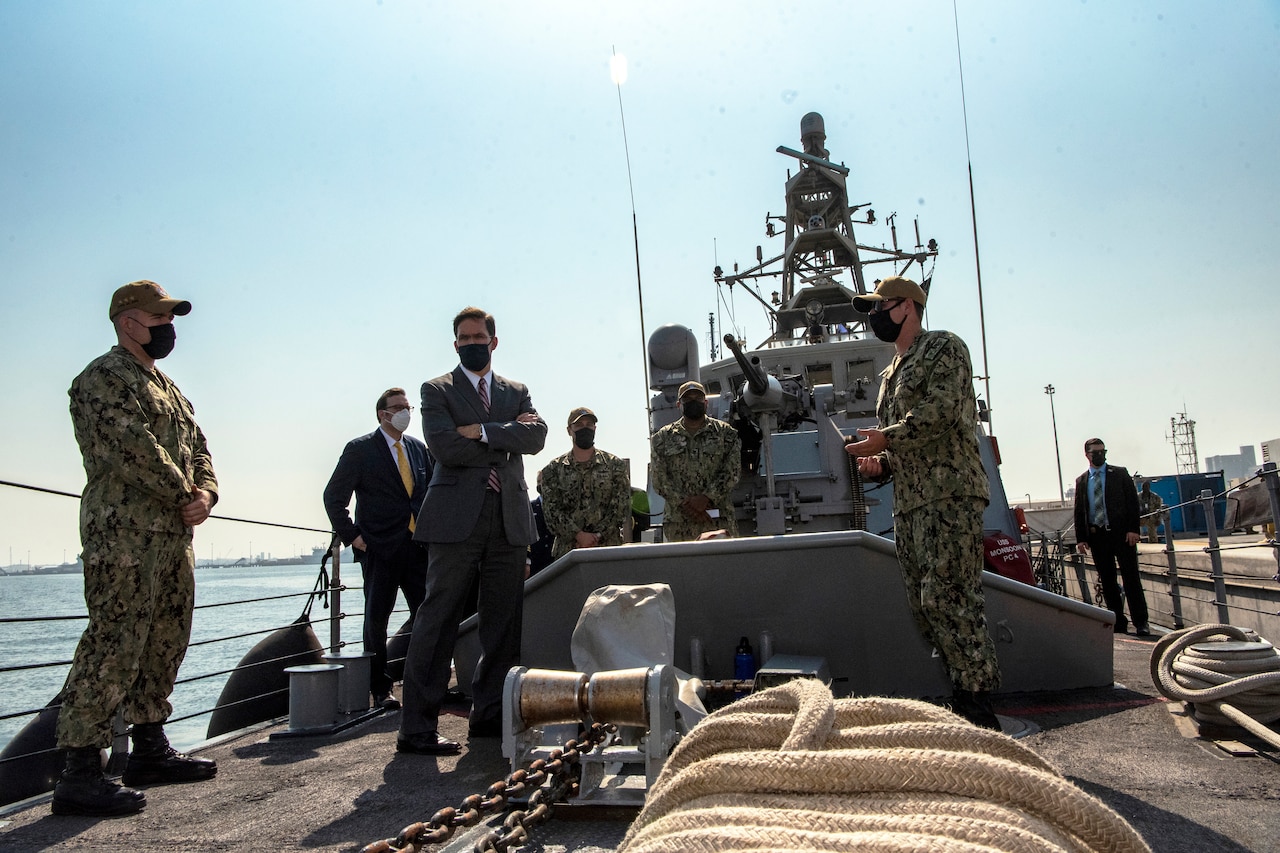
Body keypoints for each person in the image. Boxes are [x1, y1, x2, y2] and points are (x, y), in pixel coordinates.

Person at [55, 280, 219, 817]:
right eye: (159, 318)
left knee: (165, 638)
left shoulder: (168, 387)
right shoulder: (102, 379)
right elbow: (135, 450)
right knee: (113, 642)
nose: (168, 328)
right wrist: (185, 496)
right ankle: (80, 769)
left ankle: (150, 747)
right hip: (124, 536)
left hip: (173, 535)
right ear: (129, 322)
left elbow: (198, 447)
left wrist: (206, 494)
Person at [843, 275, 1002, 730]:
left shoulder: (944, 349)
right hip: (911, 503)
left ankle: (979, 709)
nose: (874, 316)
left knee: (950, 597)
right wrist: (882, 462)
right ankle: (962, 692)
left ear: (907, 307)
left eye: (880, 307)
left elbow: (941, 412)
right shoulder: (889, 375)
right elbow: (903, 445)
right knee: (923, 605)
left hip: (950, 495)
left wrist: (885, 439)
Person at [397, 307, 547, 755]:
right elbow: (443, 445)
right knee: (437, 618)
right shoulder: (436, 389)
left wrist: (480, 431)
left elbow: (536, 437)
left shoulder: (516, 391)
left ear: (494, 341)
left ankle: (490, 718)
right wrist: (503, 442)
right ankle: (416, 727)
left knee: (504, 624)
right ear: (455, 344)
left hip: (508, 518)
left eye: (478, 336)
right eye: (463, 338)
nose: (470, 343)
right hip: (454, 521)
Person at [323, 388, 433, 710]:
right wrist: (353, 537)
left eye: (407, 406)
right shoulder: (360, 450)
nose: (405, 412)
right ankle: (380, 688)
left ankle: (424, 682)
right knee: (376, 621)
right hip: (379, 549)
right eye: (398, 407)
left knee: (427, 618)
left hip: (417, 548)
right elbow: (334, 497)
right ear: (382, 414)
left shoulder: (417, 448)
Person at [1073, 439, 1150, 636]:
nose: (1100, 455)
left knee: (1131, 578)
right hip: (1098, 536)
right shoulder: (1082, 481)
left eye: (1102, 451)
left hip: (1122, 535)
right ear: (1087, 455)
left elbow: (1133, 503)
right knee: (1107, 581)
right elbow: (1080, 510)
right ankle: (1118, 621)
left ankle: (1141, 622)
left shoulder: (1120, 474)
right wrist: (1081, 538)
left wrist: (1134, 529)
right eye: (1095, 452)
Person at [650, 381, 742, 542]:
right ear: (679, 404)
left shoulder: (726, 434)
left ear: (706, 403)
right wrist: (686, 504)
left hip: (717, 519)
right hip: (679, 524)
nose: (694, 402)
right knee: (683, 567)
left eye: (698, 398)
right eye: (688, 399)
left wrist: (706, 498)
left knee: (724, 566)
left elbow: (732, 472)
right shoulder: (662, 438)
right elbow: (659, 479)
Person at [539, 407, 631, 560]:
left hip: (608, 548)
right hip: (569, 552)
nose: (585, 428)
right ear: (569, 430)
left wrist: (597, 536)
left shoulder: (615, 465)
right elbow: (551, 512)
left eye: (589, 424)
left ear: (595, 428)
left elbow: (621, 506)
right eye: (579, 425)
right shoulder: (553, 470)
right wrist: (578, 535)